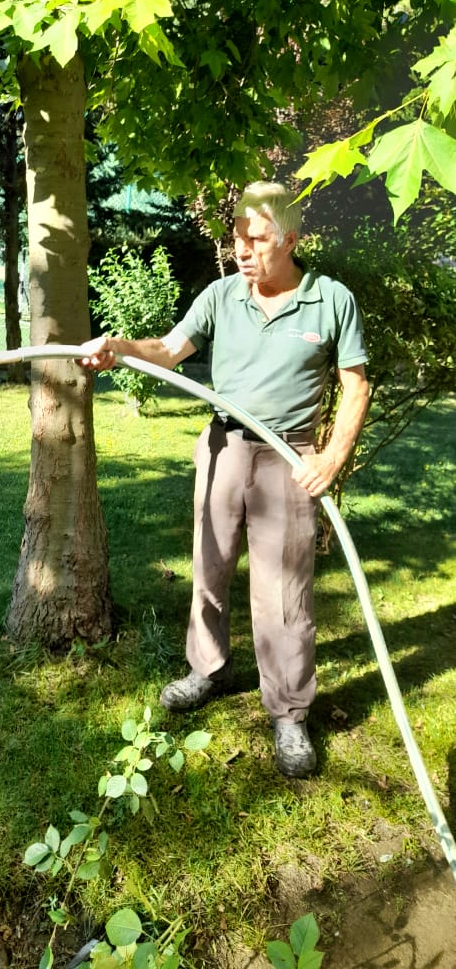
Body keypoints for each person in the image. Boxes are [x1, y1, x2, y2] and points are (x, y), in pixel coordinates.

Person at [79, 181, 369, 778]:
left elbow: (356, 386)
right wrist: (118, 347)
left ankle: (289, 713)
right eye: (236, 237)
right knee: (208, 569)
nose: (242, 249)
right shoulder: (220, 295)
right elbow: (167, 349)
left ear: (290, 239)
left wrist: (331, 457)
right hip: (221, 448)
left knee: (283, 593)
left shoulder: (330, 300)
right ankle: (209, 669)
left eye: (256, 239)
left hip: (289, 458)